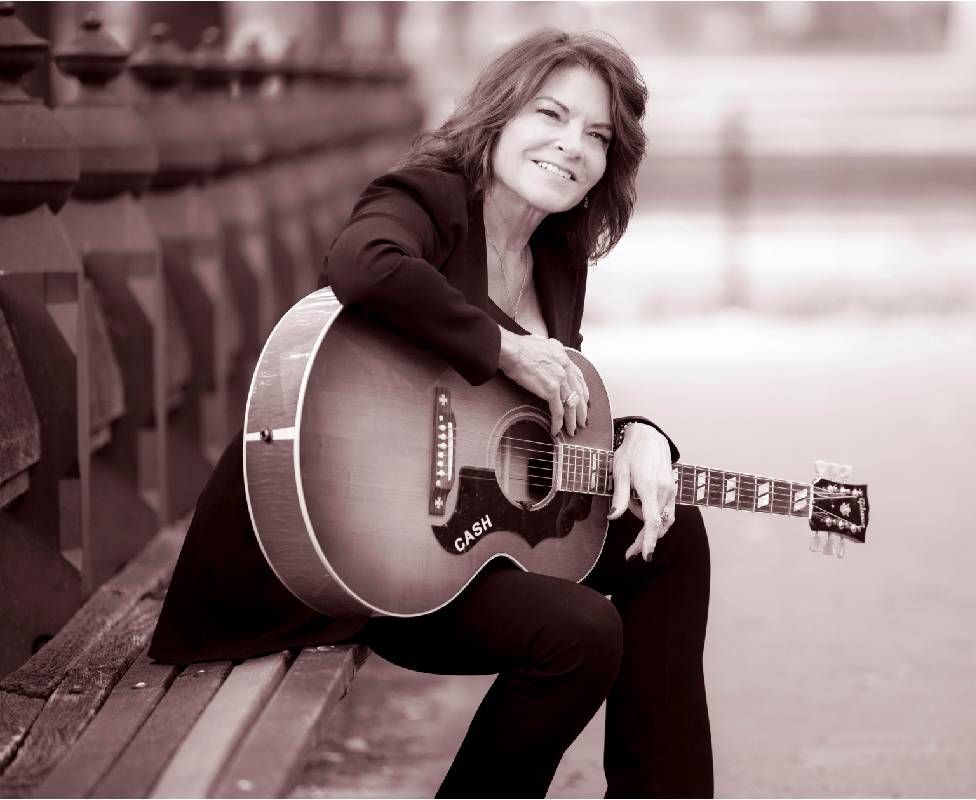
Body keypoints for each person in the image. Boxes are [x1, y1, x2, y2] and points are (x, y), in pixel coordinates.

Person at [149, 29, 714, 798]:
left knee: (668, 531)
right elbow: (361, 262)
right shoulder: (430, 195)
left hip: (450, 545)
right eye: (551, 114)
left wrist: (642, 438)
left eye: (597, 136)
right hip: (338, 549)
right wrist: (504, 348)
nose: (570, 146)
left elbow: (531, 428)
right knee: (580, 635)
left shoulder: (557, 253)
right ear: (500, 113)